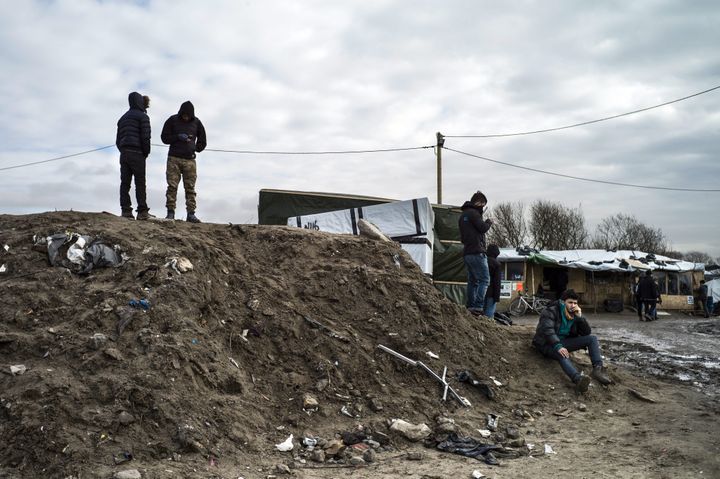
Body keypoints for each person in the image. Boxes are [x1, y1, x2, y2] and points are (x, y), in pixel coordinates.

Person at [532, 289, 612, 393]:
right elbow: (548, 331)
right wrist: (558, 346)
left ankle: (597, 369)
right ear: (562, 302)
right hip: (546, 344)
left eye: (575, 303)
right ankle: (578, 380)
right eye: (570, 302)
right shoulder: (550, 311)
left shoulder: (574, 314)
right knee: (562, 354)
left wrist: (580, 318)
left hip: (563, 342)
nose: (573, 305)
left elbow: (586, 333)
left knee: (592, 339)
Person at [161, 101, 207, 223]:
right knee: (172, 187)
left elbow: (203, 141)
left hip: (190, 160)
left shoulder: (197, 122)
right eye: (184, 115)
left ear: (191, 115)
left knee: (190, 188)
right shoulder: (172, 120)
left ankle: (191, 214)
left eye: (188, 115)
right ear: (181, 113)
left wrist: (195, 148)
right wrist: (177, 137)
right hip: (174, 159)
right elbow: (164, 138)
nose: (186, 117)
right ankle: (170, 213)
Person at [115, 91, 151, 220]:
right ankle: (142, 211)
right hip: (137, 153)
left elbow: (117, 140)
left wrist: (123, 150)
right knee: (140, 183)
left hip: (124, 153)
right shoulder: (143, 117)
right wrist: (146, 152)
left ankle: (126, 211)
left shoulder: (122, 118)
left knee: (125, 183)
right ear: (140, 102)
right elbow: (146, 137)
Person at [459, 191, 493, 315]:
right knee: (484, 280)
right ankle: (478, 306)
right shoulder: (474, 214)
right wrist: (489, 222)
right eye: (483, 204)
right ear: (478, 202)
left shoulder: (462, 216)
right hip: (477, 252)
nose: (483, 207)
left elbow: (463, 237)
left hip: (467, 252)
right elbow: (483, 228)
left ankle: (471, 305)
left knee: (473, 281)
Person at [484, 244, 502, 318]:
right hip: (491, 292)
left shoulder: (482, 261)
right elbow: (497, 282)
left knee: (480, 311)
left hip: (480, 291)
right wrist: (497, 296)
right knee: (490, 311)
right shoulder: (496, 264)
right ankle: (488, 326)